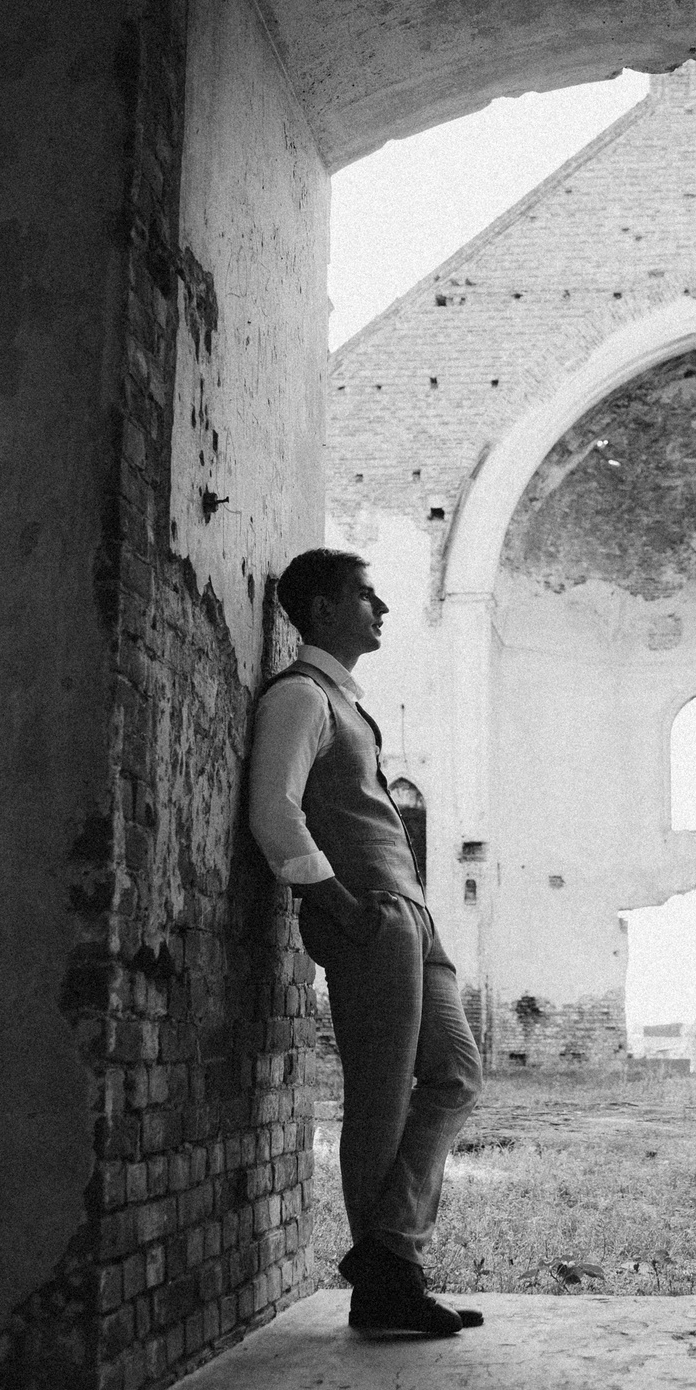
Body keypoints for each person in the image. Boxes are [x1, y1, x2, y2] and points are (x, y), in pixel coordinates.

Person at [249, 549, 485, 1336]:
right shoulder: (299, 696)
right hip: (370, 918)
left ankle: (385, 1252)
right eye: (364, 594)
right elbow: (274, 812)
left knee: (455, 1072)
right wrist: (341, 908)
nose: (380, 608)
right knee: (380, 1102)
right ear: (320, 608)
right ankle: (392, 1278)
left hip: (413, 918)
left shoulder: (349, 702)